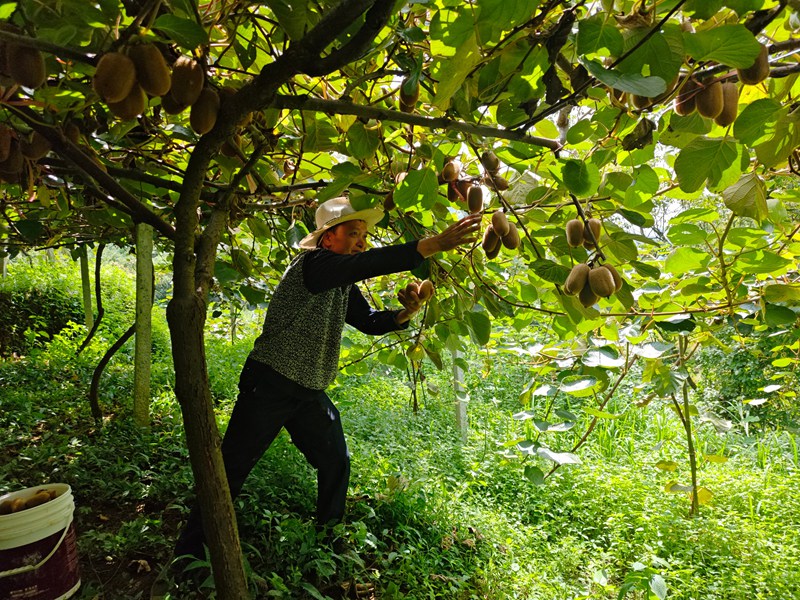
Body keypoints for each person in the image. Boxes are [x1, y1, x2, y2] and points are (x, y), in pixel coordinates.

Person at [173, 196, 481, 564]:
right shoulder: (313, 265)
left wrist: (404, 314)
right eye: (354, 234)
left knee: (336, 461)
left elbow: (366, 320)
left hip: (307, 391)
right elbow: (368, 264)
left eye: (364, 236)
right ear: (327, 238)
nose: (362, 243)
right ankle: (188, 556)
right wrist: (430, 245)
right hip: (270, 384)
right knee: (232, 469)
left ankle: (328, 539)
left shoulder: (340, 281)